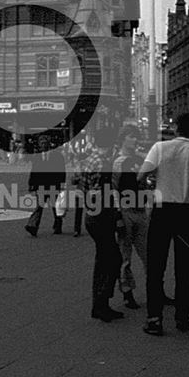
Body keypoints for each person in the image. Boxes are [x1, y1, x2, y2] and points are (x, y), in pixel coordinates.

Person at [137, 113, 189, 336]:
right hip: (187, 211)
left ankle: (154, 318)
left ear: (176, 128)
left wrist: (152, 188)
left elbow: (141, 176)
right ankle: (182, 318)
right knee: (184, 267)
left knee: (156, 267)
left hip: (162, 210)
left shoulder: (160, 147)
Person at [74, 128, 123, 322]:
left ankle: (101, 302)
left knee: (104, 259)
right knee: (110, 259)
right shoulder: (104, 163)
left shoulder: (88, 159)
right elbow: (104, 192)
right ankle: (101, 303)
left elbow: (79, 184)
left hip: (92, 215)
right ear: (110, 144)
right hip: (102, 215)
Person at [113, 125, 148, 310]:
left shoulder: (139, 159)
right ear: (123, 138)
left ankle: (154, 289)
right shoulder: (118, 162)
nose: (135, 140)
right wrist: (118, 212)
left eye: (137, 137)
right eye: (132, 137)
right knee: (125, 256)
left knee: (148, 253)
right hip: (126, 211)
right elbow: (114, 189)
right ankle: (127, 292)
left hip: (141, 210)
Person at [24, 135, 66, 237]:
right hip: (41, 186)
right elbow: (34, 171)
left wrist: (62, 184)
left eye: (45, 143)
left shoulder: (57, 155)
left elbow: (62, 170)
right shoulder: (37, 157)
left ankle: (58, 225)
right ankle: (33, 226)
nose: (43, 145)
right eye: (41, 143)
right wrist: (31, 185)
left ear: (49, 144)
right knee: (39, 207)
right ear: (39, 144)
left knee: (55, 207)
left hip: (53, 185)